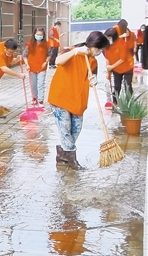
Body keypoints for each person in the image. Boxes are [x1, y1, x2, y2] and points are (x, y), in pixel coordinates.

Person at [47, 30, 110, 169]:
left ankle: (62, 153)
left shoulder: (92, 61)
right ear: (92, 44)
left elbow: (89, 78)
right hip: (61, 97)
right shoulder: (71, 52)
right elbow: (58, 61)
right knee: (65, 129)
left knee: (76, 129)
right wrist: (75, 52)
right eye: (98, 48)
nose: (99, 52)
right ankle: (72, 160)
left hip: (78, 99)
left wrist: (92, 81)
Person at [25, 27, 50, 106]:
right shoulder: (29, 44)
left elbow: (49, 55)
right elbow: (24, 56)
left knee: (41, 84)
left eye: (40, 35)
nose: (39, 36)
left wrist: (46, 62)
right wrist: (27, 64)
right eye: (37, 34)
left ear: (43, 35)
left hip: (42, 67)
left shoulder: (46, 44)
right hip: (31, 67)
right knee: (33, 84)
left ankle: (41, 100)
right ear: (34, 34)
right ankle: (34, 98)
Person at [112, 18, 136, 100]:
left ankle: (130, 103)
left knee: (128, 85)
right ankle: (115, 102)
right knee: (117, 86)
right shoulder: (114, 34)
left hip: (128, 66)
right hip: (117, 66)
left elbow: (133, 48)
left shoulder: (131, 35)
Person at [103, 27, 123, 106]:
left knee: (118, 84)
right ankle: (113, 100)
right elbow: (107, 59)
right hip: (111, 65)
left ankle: (117, 100)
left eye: (110, 38)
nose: (108, 39)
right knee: (111, 82)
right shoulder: (105, 47)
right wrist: (108, 72)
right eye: (107, 38)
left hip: (120, 65)